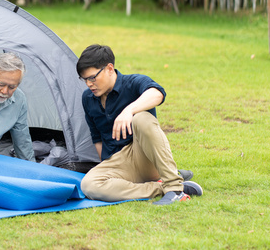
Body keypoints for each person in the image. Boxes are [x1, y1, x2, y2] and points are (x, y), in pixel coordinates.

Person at [76, 44, 202, 205]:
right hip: (117, 163)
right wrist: (106, 168)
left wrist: (129, 111)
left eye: (92, 77)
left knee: (141, 118)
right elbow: (97, 138)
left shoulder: (133, 83)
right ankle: (161, 188)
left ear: (109, 68)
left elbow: (157, 94)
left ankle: (175, 189)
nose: (88, 84)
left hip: (143, 156)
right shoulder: (88, 98)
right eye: (85, 79)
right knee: (89, 185)